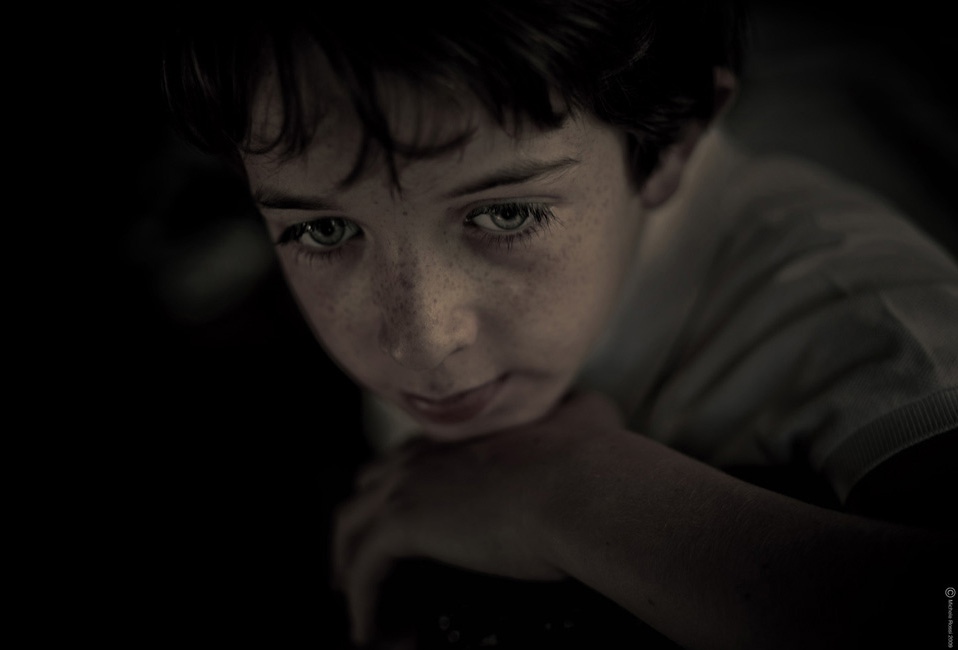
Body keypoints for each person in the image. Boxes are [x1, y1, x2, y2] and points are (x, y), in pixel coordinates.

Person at [161, 1, 956, 647]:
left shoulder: (868, 318)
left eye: (507, 214)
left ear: (671, 146)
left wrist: (574, 497)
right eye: (325, 230)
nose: (422, 344)